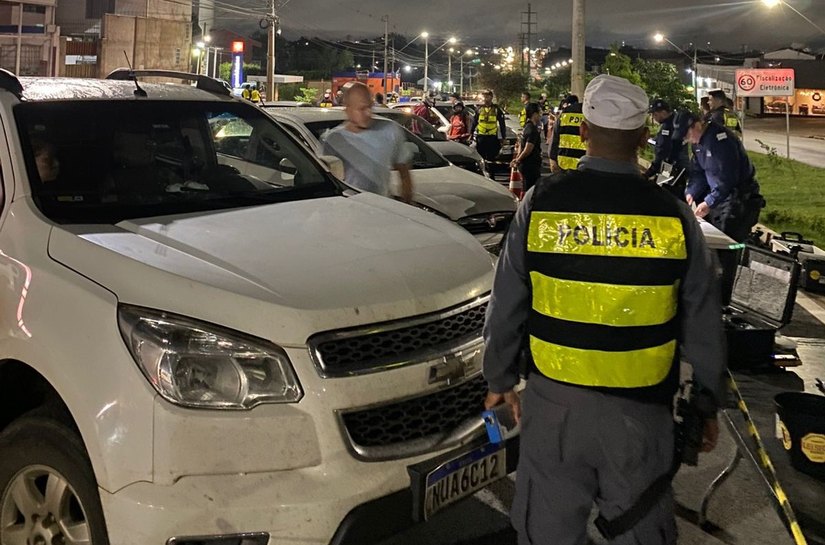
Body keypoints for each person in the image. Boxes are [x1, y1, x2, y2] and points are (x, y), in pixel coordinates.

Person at [483, 74, 726, 545]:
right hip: (642, 413)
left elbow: (508, 300)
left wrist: (498, 380)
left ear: (585, 133)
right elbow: (703, 320)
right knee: (639, 527)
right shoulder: (674, 215)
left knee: (546, 530)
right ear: (642, 138)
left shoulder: (540, 203)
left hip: (554, 405)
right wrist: (707, 401)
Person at [680, 109, 765, 302]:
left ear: (697, 125)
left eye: (688, 134)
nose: (688, 140)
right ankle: (709, 292)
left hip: (737, 200)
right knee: (709, 247)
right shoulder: (699, 144)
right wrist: (691, 192)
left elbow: (726, 179)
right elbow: (699, 173)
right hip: (720, 198)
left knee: (727, 250)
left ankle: (722, 299)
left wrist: (709, 203)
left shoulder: (720, 141)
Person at [321, 82, 414, 203]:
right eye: (362, 108)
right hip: (348, 209)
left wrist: (406, 203)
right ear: (348, 109)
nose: (368, 113)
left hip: (382, 208)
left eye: (370, 107)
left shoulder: (390, 131)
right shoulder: (334, 140)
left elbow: (404, 172)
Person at [645, 99, 690, 196]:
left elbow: (663, 151)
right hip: (679, 168)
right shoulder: (676, 122)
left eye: (655, 114)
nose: (654, 118)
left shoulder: (667, 127)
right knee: (678, 196)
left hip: (669, 169)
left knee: (667, 196)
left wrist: (650, 171)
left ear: (664, 112)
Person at [510, 102, 542, 192]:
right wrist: (518, 159)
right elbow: (528, 149)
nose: (540, 115)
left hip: (525, 165)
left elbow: (521, 145)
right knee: (532, 190)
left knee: (526, 188)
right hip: (531, 165)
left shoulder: (526, 127)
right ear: (534, 114)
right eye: (539, 113)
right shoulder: (532, 130)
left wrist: (517, 158)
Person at [548, 94, 584, 172]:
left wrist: (552, 158)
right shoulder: (595, 116)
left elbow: (555, 139)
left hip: (564, 166)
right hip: (587, 168)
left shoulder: (565, 114)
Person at [473, 89, 507, 163]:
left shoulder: (496, 109)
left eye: (487, 96)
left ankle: (491, 173)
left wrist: (503, 137)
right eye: (484, 96)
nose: (485, 98)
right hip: (481, 137)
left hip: (492, 137)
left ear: (491, 97)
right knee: (480, 158)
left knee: (491, 158)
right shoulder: (479, 109)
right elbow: (474, 122)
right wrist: (470, 133)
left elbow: (502, 124)